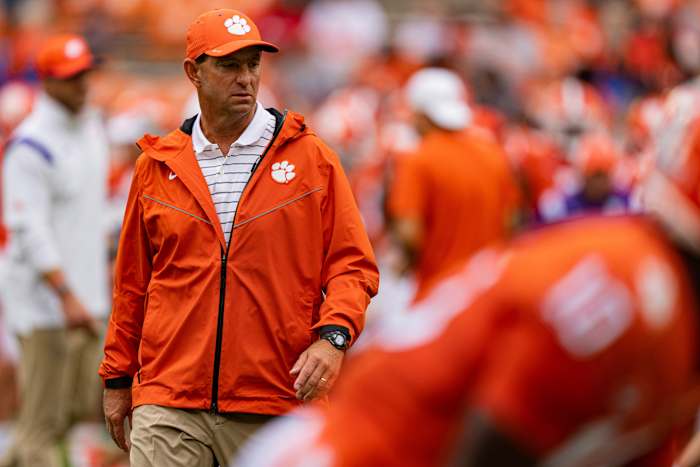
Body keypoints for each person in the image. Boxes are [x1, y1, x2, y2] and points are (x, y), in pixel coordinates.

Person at [235, 84, 700, 467]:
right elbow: (493, 441)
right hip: (357, 449)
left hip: (429, 300)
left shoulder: (657, 295)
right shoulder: (630, 284)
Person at [99, 9, 379, 467]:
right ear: (194, 72)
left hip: (274, 396)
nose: (245, 78)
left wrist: (334, 338)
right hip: (169, 396)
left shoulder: (311, 159)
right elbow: (132, 283)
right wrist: (116, 377)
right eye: (229, 65)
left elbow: (353, 264)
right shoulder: (156, 166)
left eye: (252, 64)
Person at [0, 34, 108, 467]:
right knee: (42, 423)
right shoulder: (30, 146)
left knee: (70, 411)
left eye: (84, 73)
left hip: (88, 296)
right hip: (47, 305)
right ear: (46, 82)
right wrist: (65, 295)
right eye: (70, 78)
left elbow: (88, 211)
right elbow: (28, 230)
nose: (81, 84)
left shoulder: (91, 126)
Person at [387, 67, 517, 299]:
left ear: (421, 114)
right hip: (487, 291)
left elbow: (410, 232)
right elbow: (510, 219)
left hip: (439, 292)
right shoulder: (492, 152)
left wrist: (407, 261)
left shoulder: (417, 159)